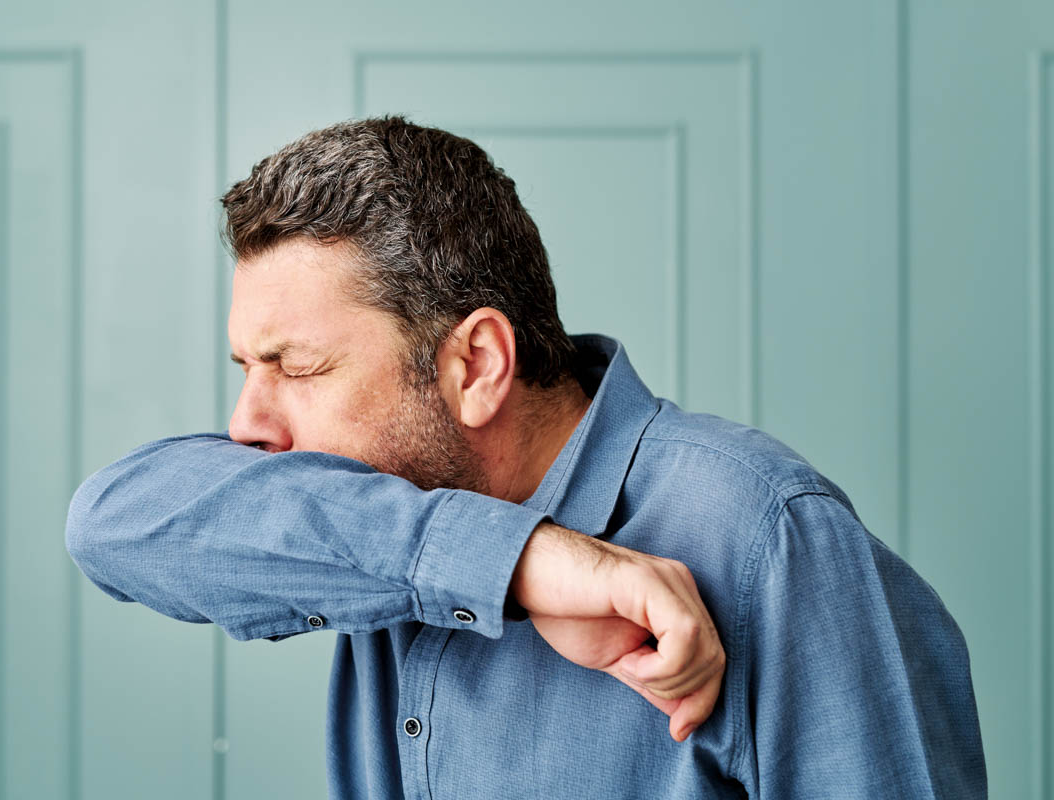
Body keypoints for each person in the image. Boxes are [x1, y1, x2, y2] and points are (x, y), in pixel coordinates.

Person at [65, 115, 987, 798]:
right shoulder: (375, 521)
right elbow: (111, 524)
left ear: (477, 365)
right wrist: (532, 560)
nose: (248, 427)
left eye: (295, 368)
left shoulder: (766, 540)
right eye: (246, 368)